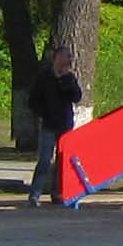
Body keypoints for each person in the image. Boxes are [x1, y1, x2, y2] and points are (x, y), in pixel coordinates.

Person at [27, 45, 83, 208]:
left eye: (70, 57)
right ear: (57, 57)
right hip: (49, 125)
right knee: (44, 160)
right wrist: (43, 114)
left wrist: (65, 80)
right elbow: (33, 101)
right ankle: (35, 194)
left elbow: (76, 97)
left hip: (65, 126)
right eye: (67, 56)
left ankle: (58, 193)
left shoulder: (70, 78)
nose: (69, 60)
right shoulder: (44, 77)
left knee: (62, 162)